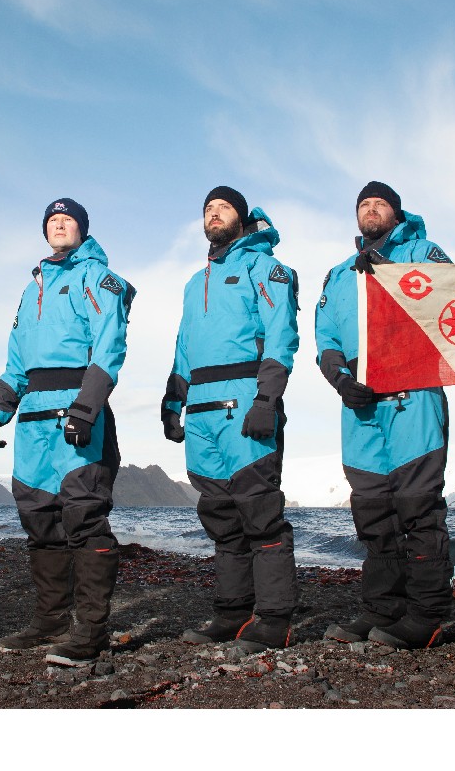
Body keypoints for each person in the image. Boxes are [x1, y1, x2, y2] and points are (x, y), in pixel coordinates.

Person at [0, 198, 133, 667]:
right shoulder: (32, 289)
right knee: (39, 519)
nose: (59, 224)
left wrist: (87, 406)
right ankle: (49, 620)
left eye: (68, 219)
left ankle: (89, 631)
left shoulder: (98, 279)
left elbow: (109, 344)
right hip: (32, 419)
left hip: (76, 411)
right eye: (52, 220)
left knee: (83, 517)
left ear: (83, 230)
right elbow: (16, 358)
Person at [315, 182, 453, 650]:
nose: (371, 210)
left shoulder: (423, 250)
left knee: (418, 506)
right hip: (360, 403)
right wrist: (338, 377)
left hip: (412, 394)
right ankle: (382, 609)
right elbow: (325, 334)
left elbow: (448, 296)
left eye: (380, 204)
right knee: (373, 513)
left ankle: (427, 613)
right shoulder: (338, 274)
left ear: (396, 213)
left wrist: (391, 270)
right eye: (363, 205)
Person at [162, 186, 300, 654]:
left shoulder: (266, 268)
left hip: (244, 400)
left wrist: (268, 398)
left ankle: (275, 618)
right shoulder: (191, 282)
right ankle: (232, 612)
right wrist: (172, 399)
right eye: (207, 208)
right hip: (200, 407)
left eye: (223, 207)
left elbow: (282, 334)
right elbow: (184, 345)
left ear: (241, 217)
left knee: (259, 509)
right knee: (220, 516)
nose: (214, 214)